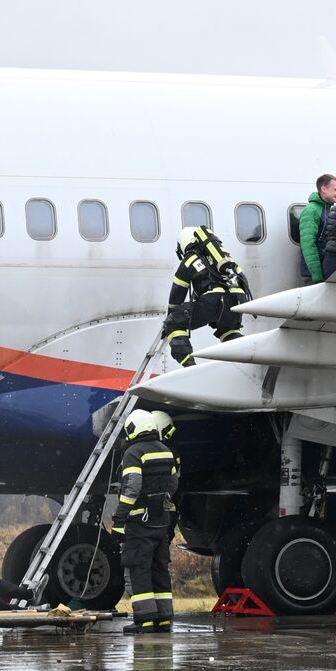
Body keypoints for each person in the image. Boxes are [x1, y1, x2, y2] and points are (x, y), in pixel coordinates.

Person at [109, 409, 180, 634]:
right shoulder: (166, 451)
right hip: (162, 520)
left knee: (138, 567)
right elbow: (173, 484)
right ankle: (164, 617)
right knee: (160, 568)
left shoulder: (133, 452)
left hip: (140, 522)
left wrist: (119, 520)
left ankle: (145, 619)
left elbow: (132, 487)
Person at [163, 225, 253, 368]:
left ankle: (189, 366)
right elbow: (243, 281)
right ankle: (250, 357)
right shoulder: (224, 257)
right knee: (228, 331)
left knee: (174, 323)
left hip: (214, 301)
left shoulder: (190, 259)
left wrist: (170, 319)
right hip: (237, 301)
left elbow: (177, 293)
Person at [300, 174, 336, 283]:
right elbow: (308, 244)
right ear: (324, 189)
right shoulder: (311, 211)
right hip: (314, 275)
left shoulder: (328, 210)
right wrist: (317, 275)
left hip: (325, 271)